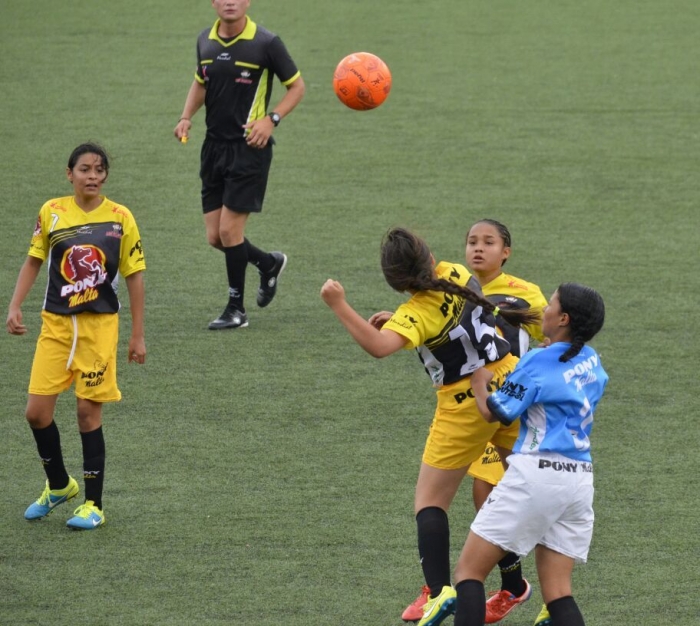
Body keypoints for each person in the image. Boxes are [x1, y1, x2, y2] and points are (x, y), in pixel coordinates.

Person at [320, 227, 539, 626]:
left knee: (430, 502)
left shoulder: (416, 312)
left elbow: (379, 346)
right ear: (430, 256)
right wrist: (399, 322)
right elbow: (452, 322)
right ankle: (539, 589)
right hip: (509, 383)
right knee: (527, 488)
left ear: (395, 280)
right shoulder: (456, 272)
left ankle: (438, 592)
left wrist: (339, 304)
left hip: (467, 406)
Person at [401, 219, 550, 625]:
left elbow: (551, 330)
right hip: (476, 407)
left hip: (508, 398)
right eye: (472, 242)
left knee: (488, 495)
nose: (478, 248)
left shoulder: (525, 291)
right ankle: (505, 586)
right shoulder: (451, 286)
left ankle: (500, 586)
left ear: (506, 252)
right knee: (488, 498)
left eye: (489, 242)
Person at [6, 142, 146, 530]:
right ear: (70, 174)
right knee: (36, 413)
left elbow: (135, 275)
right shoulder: (51, 212)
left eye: (99, 170)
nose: (93, 176)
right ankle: (59, 486)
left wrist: (137, 335)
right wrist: (14, 305)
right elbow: (34, 260)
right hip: (55, 327)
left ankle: (93, 505)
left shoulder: (120, 218)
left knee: (87, 413)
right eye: (85, 169)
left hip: (99, 329)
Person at [452, 283, 608, 626]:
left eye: (551, 304)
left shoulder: (538, 361)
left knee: (468, 572)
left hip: (536, 476)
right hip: (578, 482)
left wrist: (479, 384)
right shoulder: (591, 360)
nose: (544, 310)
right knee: (559, 592)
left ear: (563, 319)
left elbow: (494, 413)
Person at [174, 0, 305, 330]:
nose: (230, 1)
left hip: (249, 149)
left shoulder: (266, 43)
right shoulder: (205, 40)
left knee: (230, 231)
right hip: (213, 148)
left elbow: (297, 87)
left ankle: (236, 309)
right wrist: (186, 116)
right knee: (215, 237)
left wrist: (272, 120)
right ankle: (267, 263)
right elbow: (201, 81)